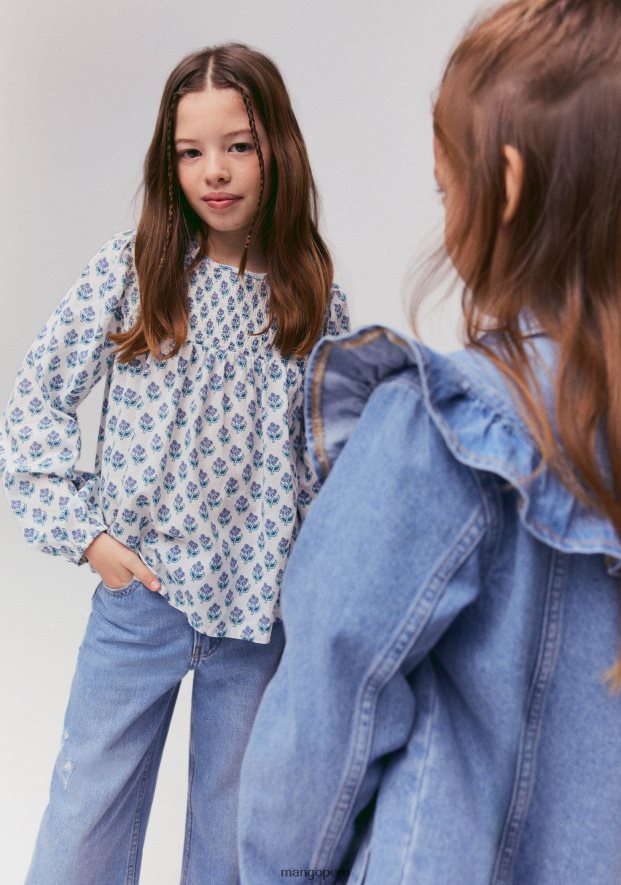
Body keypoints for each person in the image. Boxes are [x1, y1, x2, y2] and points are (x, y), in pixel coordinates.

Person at [237, 1, 621, 882]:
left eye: (446, 184)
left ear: (510, 184)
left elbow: (332, 691)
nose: (445, 209)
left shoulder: (448, 432)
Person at [0, 43, 349, 885]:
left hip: (258, 619)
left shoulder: (312, 293)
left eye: (238, 145)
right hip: (142, 599)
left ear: (278, 150)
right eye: (190, 152)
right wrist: (89, 539)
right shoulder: (139, 268)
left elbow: (336, 456)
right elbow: (33, 400)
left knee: (235, 842)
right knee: (82, 826)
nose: (214, 172)